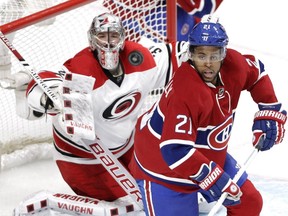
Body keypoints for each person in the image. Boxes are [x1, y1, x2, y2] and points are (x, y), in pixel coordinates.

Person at [16, 12, 187, 210]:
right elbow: (47, 82)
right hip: (82, 159)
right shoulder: (80, 70)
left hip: (128, 146)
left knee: (153, 188)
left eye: (113, 36)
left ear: (123, 37)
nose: (108, 43)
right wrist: (47, 97)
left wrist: (201, 52)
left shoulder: (139, 58)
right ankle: (52, 202)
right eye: (102, 36)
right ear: (92, 39)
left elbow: (175, 55)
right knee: (124, 204)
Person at [129, 15, 287, 216]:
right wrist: (212, 177)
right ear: (191, 54)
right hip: (164, 169)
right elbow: (174, 150)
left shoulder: (234, 65)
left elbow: (258, 74)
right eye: (201, 56)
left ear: (223, 53)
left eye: (214, 55)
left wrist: (269, 109)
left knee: (249, 203)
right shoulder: (185, 91)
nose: (208, 64)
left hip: (207, 155)